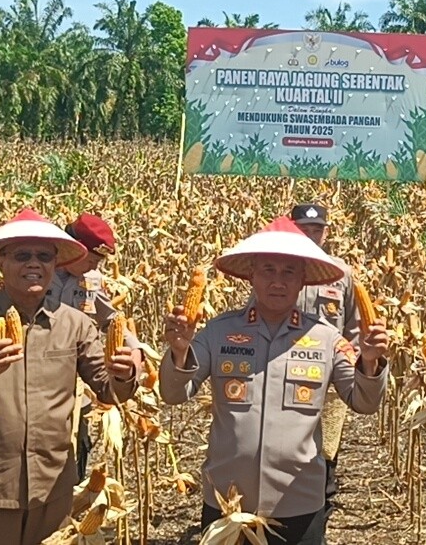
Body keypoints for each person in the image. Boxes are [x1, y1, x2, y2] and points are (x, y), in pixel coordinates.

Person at [160, 216, 390, 545]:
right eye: (268, 270)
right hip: (228, 503)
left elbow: (364, 403)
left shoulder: (326, 339)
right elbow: (173, 393)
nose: (278, 282)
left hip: (298, 504)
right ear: (252, 275)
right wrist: (180, 352)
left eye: (288, 272)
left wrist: (369, 361)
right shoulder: (217, 331)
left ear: (303, 281)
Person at [0, 209, 140, 545]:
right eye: (22, 255)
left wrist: (125, 374)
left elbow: (109, 391)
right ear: (1, 262)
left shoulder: (75, 324)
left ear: (55, 264)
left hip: (53, 490)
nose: (33, 264)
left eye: (44, 256)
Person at [49, 212, 144, 477]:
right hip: (38, 380)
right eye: (90, 260)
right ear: (73, 248)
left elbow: (109, 318)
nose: (93, 267)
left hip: (77, 385)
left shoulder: (91, 279)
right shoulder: (38, 272)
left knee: (76, 454)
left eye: (97, 262)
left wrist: (136, 350)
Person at [288, 203, 360, 517]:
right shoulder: (279, 268)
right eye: (305, 229)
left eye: (317, 230)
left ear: (326, 232)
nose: (311, 235)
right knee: (290, 435)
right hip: (287, 368)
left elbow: (354, 324)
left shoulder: (342, 273)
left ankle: (322, 505)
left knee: (328, 438)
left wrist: (351, 362)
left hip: (329, 370)